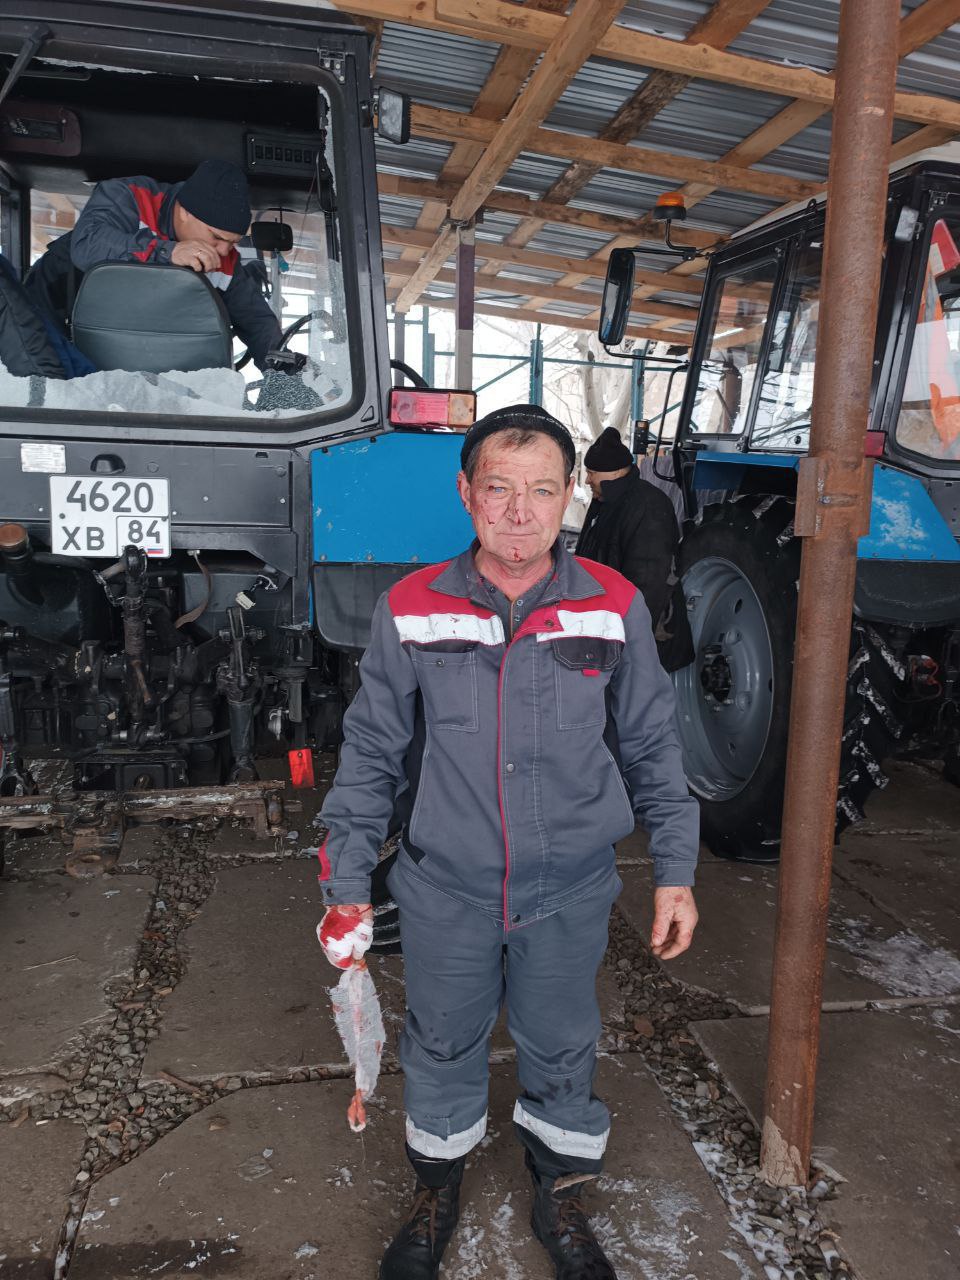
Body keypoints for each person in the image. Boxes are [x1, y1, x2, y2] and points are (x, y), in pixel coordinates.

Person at [316, 403, 700, 1280]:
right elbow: (370, 752)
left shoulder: (613, 606)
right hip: (444, 889)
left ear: (570, 496)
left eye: (542, 490)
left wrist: (675, 870)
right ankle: (435, 1187)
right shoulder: (412, 607)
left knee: (561, 1043)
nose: (520, 512)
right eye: (499, 488)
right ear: (466, 493)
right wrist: (347, 882)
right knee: (441, 1042)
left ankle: (559, 1192)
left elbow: (652, 744)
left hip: (569, 890)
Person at [25, 159, 282, 370]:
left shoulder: (225, 260)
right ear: (185, 212)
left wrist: (282, 370)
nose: (224, 250)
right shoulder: (128, 197)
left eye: (233, 242)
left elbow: (256, 320)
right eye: (217, 237)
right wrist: (168, 252)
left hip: (146, 354)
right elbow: (87, 244)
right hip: (53, 316)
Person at [576, 426, 694, 673]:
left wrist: (628, 643)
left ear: (616, 472)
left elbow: (649, 584)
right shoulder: (603, 502)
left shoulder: (649, 506)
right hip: (604, 630)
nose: (587, 480)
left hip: (640, 641)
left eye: (592, 473)